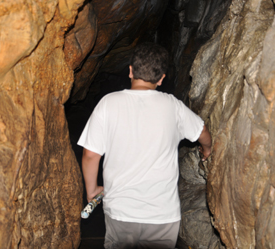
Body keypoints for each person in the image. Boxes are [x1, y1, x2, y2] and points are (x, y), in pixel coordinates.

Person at [78, 42, 212, 249]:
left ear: (130, 71)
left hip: (121, 211)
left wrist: (92, 190)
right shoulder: (173, 106)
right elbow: (202, 133)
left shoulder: (108, 103)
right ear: (161, 79)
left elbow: (90, 155)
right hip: (162, 214)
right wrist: (207, 149)